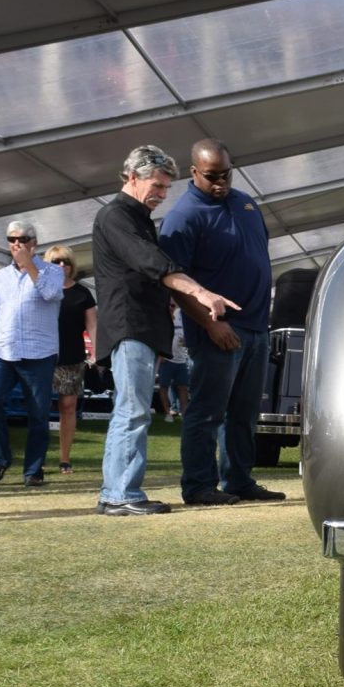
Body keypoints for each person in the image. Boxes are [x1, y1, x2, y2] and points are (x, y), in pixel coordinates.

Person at [91, 145, 239, 516]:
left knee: (132, 408)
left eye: (166, 188)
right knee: (134, 409)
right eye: (156, 185)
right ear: (131, 178)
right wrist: (200, 292)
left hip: (140, 326)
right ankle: (120, 492)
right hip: (129, 326)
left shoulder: (137, 217)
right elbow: (151, 262)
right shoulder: (115, 216)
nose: (161, 193)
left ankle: (117, 491)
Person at [159, 139, 284, 506]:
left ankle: (239, 480)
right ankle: (198, 485)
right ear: (194, 172)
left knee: (245, 412)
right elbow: (175, 282)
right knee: (208, 411)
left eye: (226, 174)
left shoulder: (244, 202)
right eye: (211, 176)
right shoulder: (183, 217)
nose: (220, 183)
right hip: (217, 331)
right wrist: (210, 324)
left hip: (257, 326)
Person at [0, 221, 64, 487]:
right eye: (12, 239)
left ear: (34, 242)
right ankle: (0, 458)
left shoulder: (52, 271)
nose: (17, 243)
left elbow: (50, 294)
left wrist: (29, 265)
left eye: (23, 238)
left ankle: (34, 470)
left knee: (38, 414)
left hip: (39, 353)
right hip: (3, 350)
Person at [44, 244, 97, 476]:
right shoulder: (40, 289)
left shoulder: (82, 293)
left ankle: (65, 459)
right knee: (39, 408)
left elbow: (92, 325)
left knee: (68, 407)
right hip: (43, 355)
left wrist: (96, 352)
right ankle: (38, 457)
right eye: (56, 262)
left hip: (72, 358)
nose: (62, 266)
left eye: (65, 262)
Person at [156, 301, 191, 421]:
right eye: (170, 305)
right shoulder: (162, 317)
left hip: (181, 360)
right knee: (164, 387)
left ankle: (185, 413)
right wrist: (161, 354)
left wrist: (187, 342)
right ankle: (168, 412)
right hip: (167, 359)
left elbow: (188, 337)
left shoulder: (183, 315)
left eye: (173, 305)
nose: (172, 307)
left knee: (183, 387)